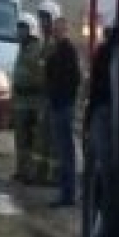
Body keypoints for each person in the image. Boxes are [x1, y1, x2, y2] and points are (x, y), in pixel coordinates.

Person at [44, 16, 82, 207]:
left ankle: (69, 194)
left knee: (66, 151)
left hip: (63, 106)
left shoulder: (68, 51)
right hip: (58, 104)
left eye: (59, 29)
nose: (55, 32)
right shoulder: (57, 51)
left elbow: (74, 79)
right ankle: (65, 192)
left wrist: (65, 98)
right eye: (55, 29)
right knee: (62, 151)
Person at [11, 12, 44, 184]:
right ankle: (21, 170)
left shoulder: (36, 48)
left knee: (32, 140)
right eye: (18, 28)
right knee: (21, 140)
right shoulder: (22, 49)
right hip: (21, 101)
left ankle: (31, 173)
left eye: (22, 28)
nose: (19, 32)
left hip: (33, 101)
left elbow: (39, 74)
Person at [35, 0, 62, 186]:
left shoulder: (55, 44)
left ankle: (55, 176)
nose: (43, 23)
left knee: (54, 140)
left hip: (55, 97)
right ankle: (42, 174)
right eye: (41, 19)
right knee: (43, 137)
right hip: (45, 96)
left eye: (47, 19)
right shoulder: (43, 43)